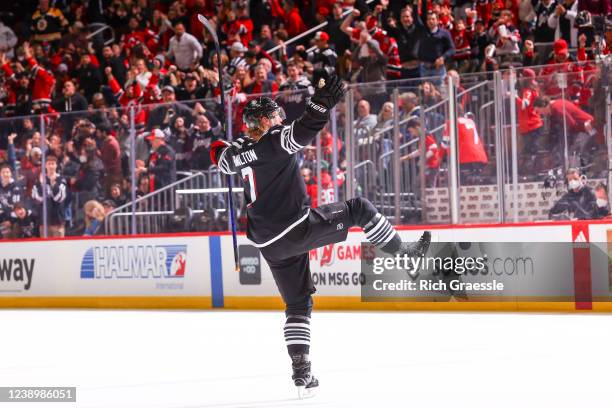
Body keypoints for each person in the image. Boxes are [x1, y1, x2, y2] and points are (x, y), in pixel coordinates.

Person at [209, 72, 430, 398]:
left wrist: (230, 143)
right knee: (360, 208)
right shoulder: (272, 142)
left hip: (268, 243)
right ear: (266, 120)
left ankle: (302, 374)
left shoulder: (239, 150)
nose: (280, 118)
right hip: (293, 227)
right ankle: (405, 254)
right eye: (276, 115)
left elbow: (219, 156)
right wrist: (319, 105)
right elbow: (301, 133)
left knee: (298, 304)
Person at [31, 155, 68, 237]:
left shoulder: (61, 179)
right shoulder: (39, 180)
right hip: (44, 221)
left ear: (56, 165)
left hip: (57, 221)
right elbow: (37, 199)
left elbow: (59, 198)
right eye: (49, 164)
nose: (51, 166)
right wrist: (41, 184)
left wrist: (53, 183)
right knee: (45, 248)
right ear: (45, 165)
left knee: (59, 247)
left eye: (53, 163)